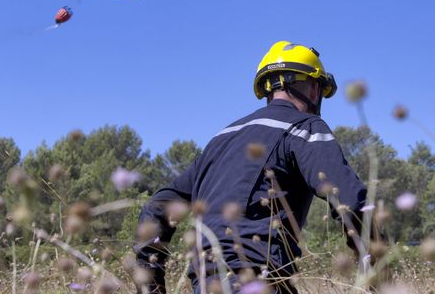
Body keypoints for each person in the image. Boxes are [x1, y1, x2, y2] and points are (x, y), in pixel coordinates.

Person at [135, 41, 368, 294]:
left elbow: (156, 208)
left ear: (267, 88)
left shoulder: (221, 140)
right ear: (314, 89)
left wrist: (151, 287)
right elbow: (352, 202)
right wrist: (376, 267)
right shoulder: (306, 127)